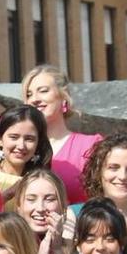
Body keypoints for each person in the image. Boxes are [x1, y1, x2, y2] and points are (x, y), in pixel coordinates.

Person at [20, 64, 102, 202]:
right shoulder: (20, 147)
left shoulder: (91, 145)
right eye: (29, 94)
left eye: (43, 91)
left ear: (63, 97)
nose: (34, 99)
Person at [15, 167, 74, 254]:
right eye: (31, 199)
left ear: (63, 206)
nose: (41, 208)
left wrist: (58, 248)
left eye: (49, 199)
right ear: (19, 207)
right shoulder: (9, 243)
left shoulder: (76, 243)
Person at [0, 103, 52, 202]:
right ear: (0, 138)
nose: (21, 146)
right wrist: (6, 196)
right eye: (14, 137)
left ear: (39, 143)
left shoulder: (43, 182)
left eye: (29, 139)